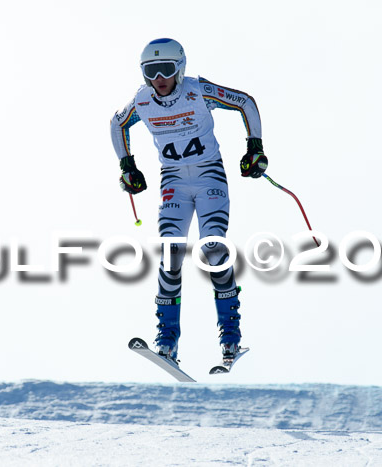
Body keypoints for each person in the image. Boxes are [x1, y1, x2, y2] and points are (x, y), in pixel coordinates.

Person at [110, 38, 267, 364]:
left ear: (180, 70)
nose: (159, 79)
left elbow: (245, 102)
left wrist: (255, 148)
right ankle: (167, 341)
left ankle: (230, 338)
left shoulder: (198, 91)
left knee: (213, 249)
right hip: (174, 182)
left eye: (166, 69)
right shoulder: (142, 101)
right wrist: (128, 166)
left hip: (209, 177)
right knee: (170, 254)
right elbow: (117, 123)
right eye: (150, 71)